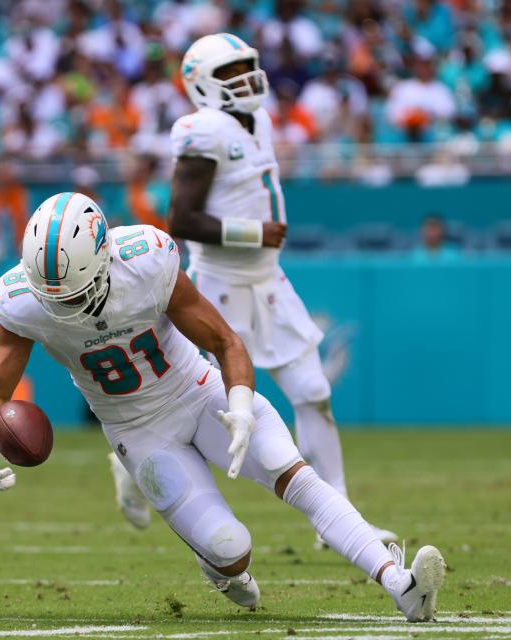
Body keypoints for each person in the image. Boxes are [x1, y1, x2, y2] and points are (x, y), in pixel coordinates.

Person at [0, 193, 445, 622]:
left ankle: (398, 583)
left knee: (288, 467)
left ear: (105, 259)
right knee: (230, 550)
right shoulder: (19, 300)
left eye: (77, 291)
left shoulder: (146, 260)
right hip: (136, 429)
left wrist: (239, 404)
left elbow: (226, 341)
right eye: (53, 295)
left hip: (196, 389)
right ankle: (219, 568)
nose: (65, 306)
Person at [131, 32, 395, 549]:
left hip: (269, 278)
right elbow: (180, 218)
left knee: (314, 392)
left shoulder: (262, 118)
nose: (246, 78)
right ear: (202, 85)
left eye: (247, 66)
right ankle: (134, 469)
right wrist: (252, 233)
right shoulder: (202, 130)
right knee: (178, 397)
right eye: (230, 72)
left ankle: (338, 515)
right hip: (220, 282)